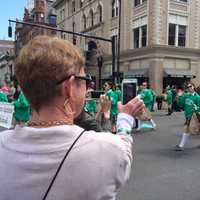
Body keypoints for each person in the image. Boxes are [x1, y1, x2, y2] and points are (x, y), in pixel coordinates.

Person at [0, 36, 145, 200]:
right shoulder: (109, 149)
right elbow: (124, 146)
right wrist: (125, 118)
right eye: (86, 80)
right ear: (69, 87)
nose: (88, 87)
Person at [175, 83, 200, 151]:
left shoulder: (197, 97)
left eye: (190, 86)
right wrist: (179, 97)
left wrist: (196, 108)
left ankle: (181, 145)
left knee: (186, 129)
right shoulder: (186, 96)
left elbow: (199, 107)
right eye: (188, 87)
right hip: (188, 115)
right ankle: (181, 145)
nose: (189, 88)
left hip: (194, 116)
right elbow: (181, 105)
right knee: (189, 129)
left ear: (194, 87)